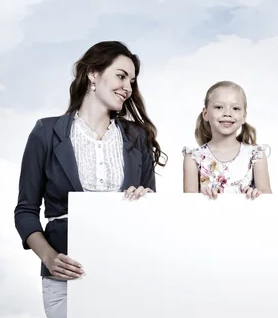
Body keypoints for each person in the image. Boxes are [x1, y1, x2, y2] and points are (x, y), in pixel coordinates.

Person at [13, 41, 167, 318]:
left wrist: (144, 200)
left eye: (132, 81)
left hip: (127, 271)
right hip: (66, 277)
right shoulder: (46, 132)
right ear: (93, 73)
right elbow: (25, 211)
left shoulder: (137, 137)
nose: (128, 87)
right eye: (121, 76)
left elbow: (152, 208)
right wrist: (48, 257)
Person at [183, 81, 272, 199]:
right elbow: (188, 206)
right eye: (219, 107)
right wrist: (205, 198)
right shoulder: (194, 158)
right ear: (205, 114)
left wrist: (256, 194)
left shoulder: (255, 156)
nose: (227, 113)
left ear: (244, 116)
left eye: (235, 108)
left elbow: (268, 200)